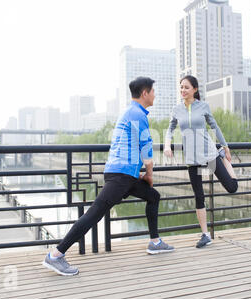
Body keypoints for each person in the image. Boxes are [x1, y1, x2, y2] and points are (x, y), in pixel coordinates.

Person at [43, 77, 174, 276]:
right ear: (145, 93)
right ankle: (55, 255)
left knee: (153, 197)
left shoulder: (131, 112)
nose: (155, 95)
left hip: (126, 174)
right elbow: (146, 148)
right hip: (121, 175)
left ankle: (155, 242)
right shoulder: (137, 114)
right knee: (94, 213)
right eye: (153, 91)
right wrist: (149, 174)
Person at [164, 75, 238, 249]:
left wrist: (225, 147)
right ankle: (205, 235)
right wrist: (167, 145)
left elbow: (215, 127)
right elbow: (170, 130)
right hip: (191, 158)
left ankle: (223, 160)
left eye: (186, 87)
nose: (183, 90)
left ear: (195, 89)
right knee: (199, 197)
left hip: (209, 154)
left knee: (231, 187)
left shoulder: (203, 106)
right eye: (181, 87)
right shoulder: (176, 109)